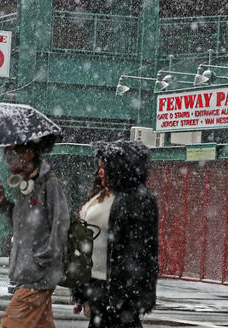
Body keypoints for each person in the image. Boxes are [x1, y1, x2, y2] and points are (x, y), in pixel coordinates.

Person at [71, 140, 159, 328]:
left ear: (119, 169)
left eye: (104, 166)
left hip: (115, 290)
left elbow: (140, 251)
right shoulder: (102, 194)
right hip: (96, 284)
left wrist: (124, 295)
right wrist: (80, 290)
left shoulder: (135, 200)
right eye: (100, 166)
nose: (100, 171)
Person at [0, 136, 69, 328]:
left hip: (37, 277)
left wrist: (44, 259)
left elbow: (61, 224)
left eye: (12, 155)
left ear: (30, 153)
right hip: (29, 273)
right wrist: (2, 203)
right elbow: (20, 226)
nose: (8, 161)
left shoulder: (49, 184)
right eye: (6, 155)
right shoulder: (25, 188)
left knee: (10, 325)